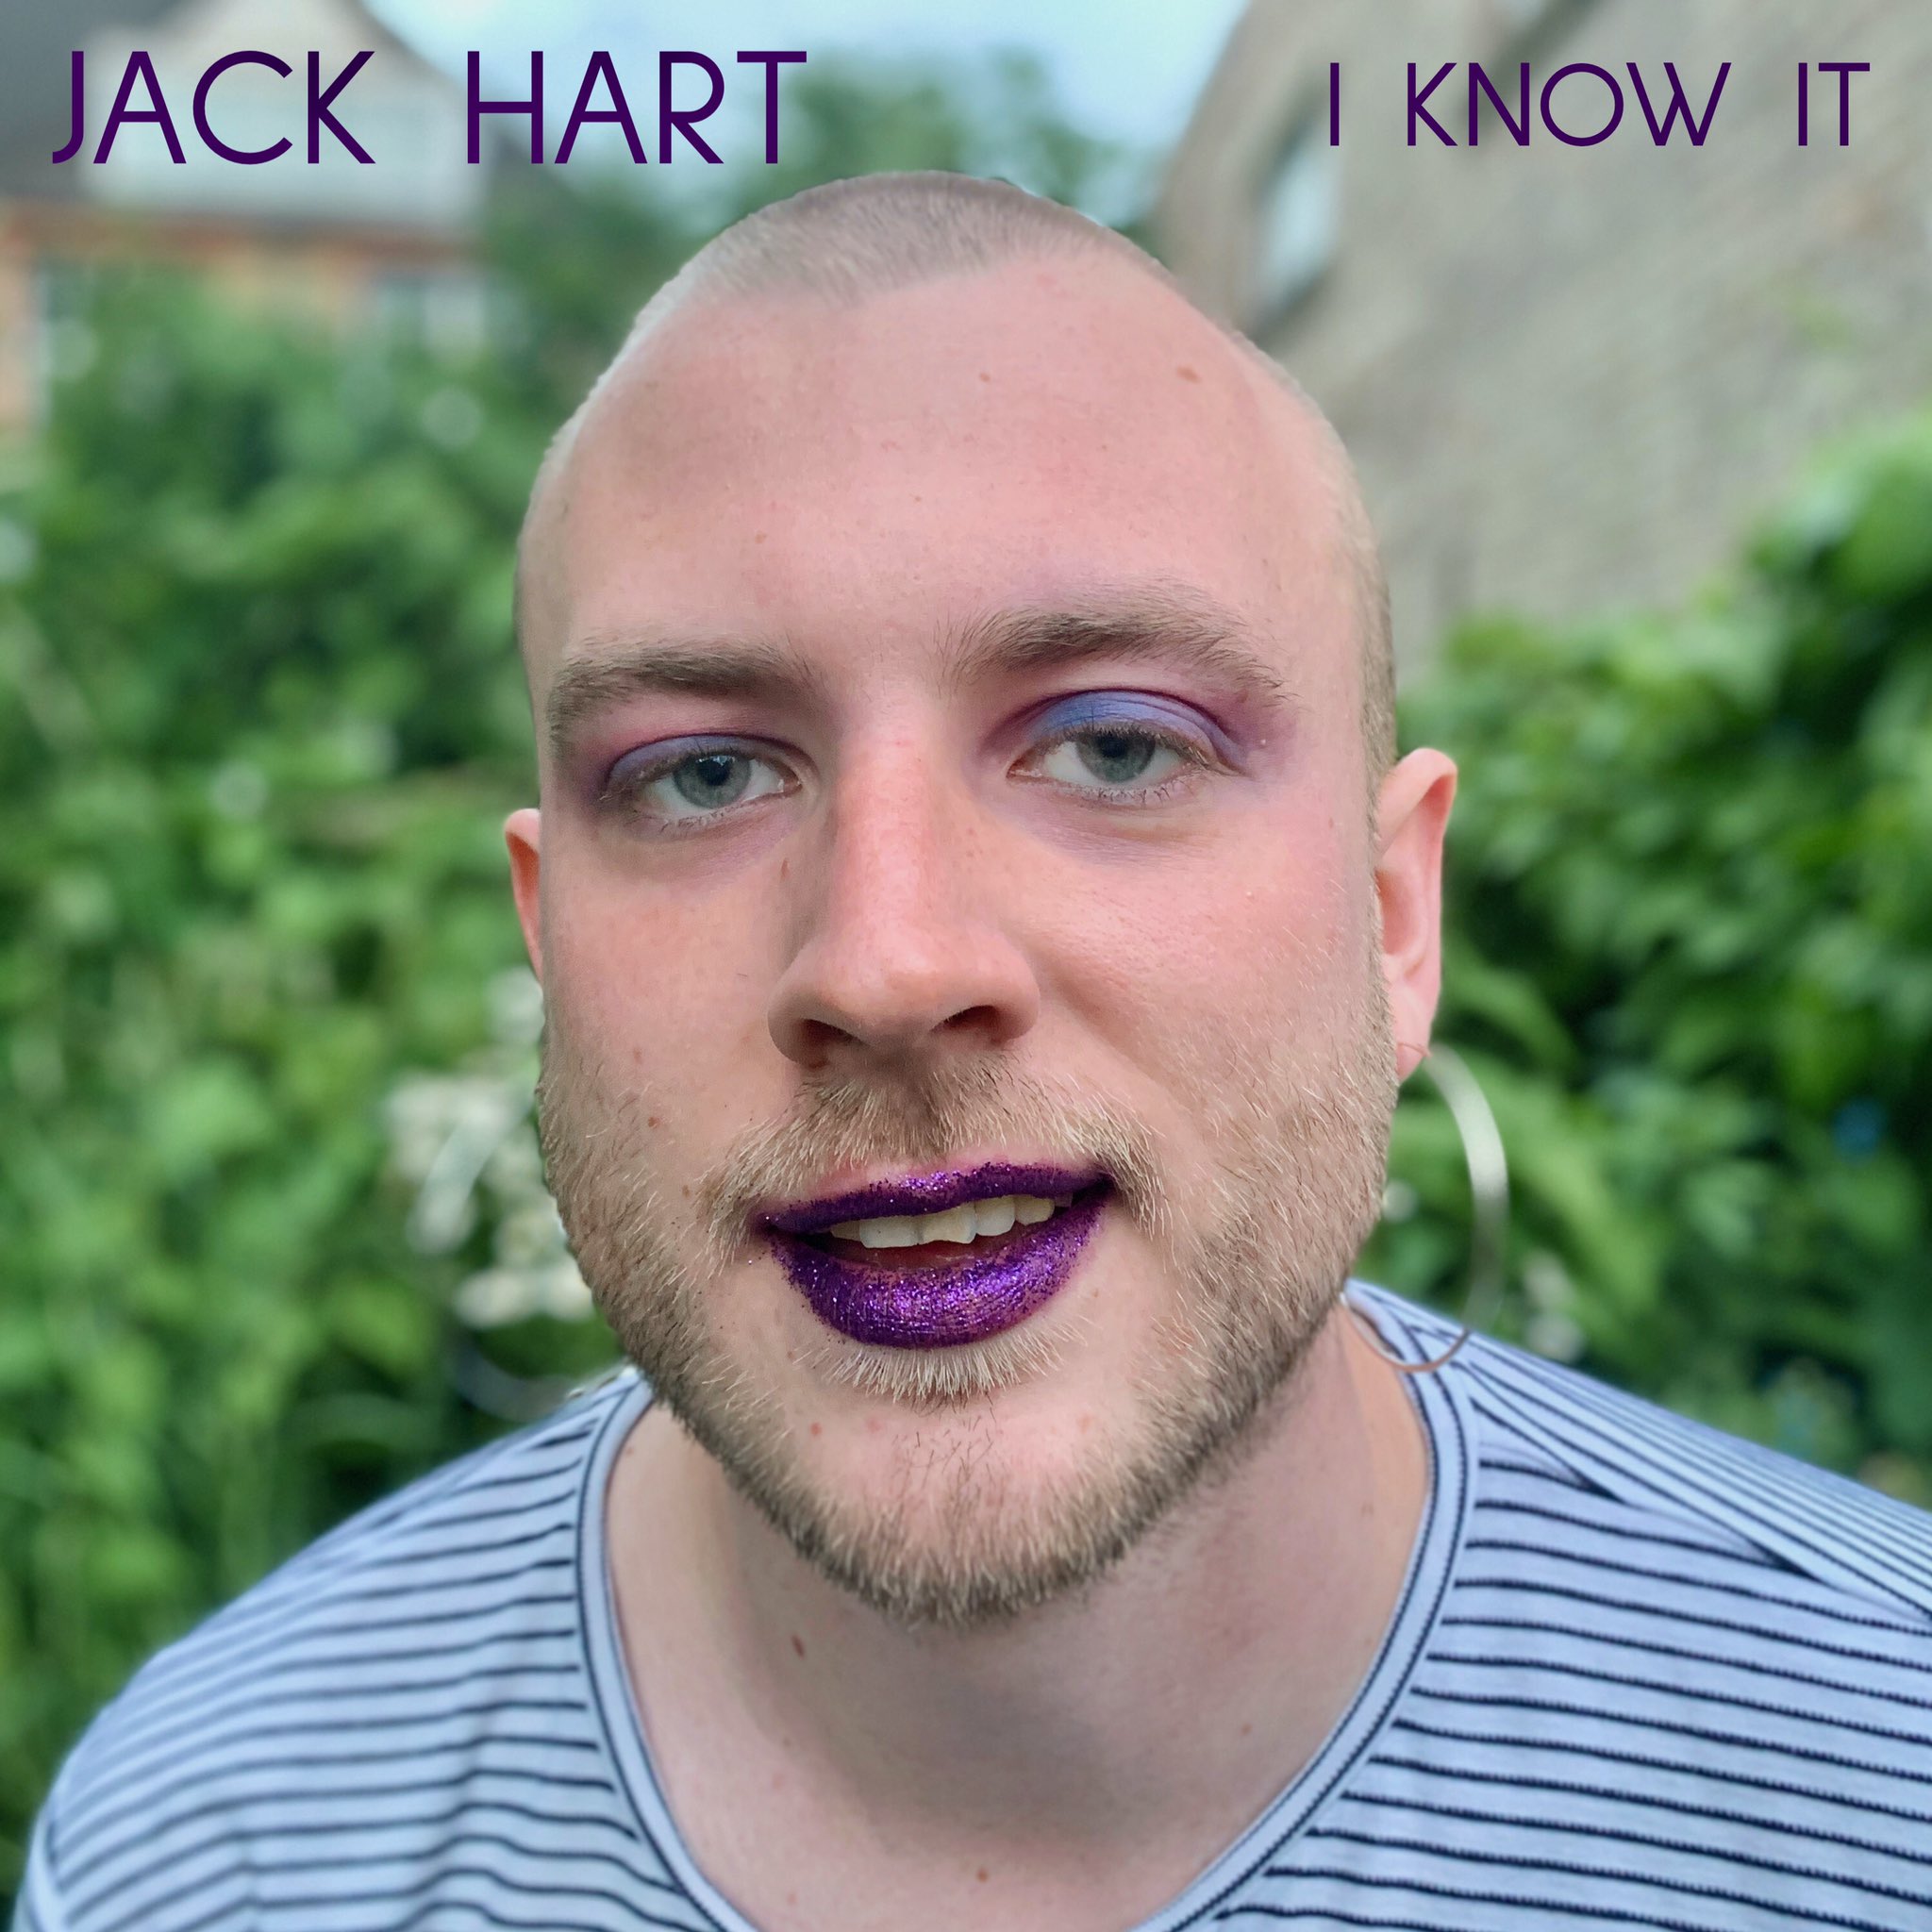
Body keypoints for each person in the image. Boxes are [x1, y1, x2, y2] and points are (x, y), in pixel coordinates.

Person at [15, 172, 1932, 1932]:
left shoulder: (1880, 1775)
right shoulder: (213, 1844)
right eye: (698, 773)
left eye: (1113, 744)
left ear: (1391, 916)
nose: (887, 956)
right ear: (547, 943)